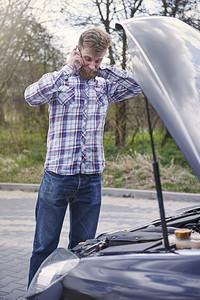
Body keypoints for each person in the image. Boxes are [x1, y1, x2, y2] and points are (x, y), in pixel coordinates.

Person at [25, 27, 142, 286]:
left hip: (91, 180)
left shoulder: (105, 86)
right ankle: (35, 293)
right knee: (44, 246)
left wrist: (103, 68)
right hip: (57, 177)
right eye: (88, 59)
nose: (91, 65)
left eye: (97, 60)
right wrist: (69, 68)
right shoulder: (59, 80)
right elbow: (30, 96)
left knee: (84, 248)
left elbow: (140, 85)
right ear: (77, 52)